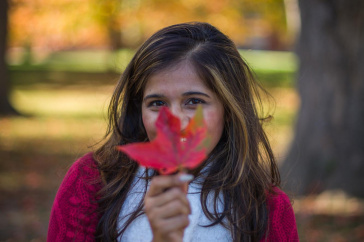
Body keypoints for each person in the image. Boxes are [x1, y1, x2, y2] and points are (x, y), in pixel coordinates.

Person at [47, 22, 298, 242]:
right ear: (139, 110)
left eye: (194, 101)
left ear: (229, 108)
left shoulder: (267, 207)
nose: (174, 121)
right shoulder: (91, 181)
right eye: (157, 103)